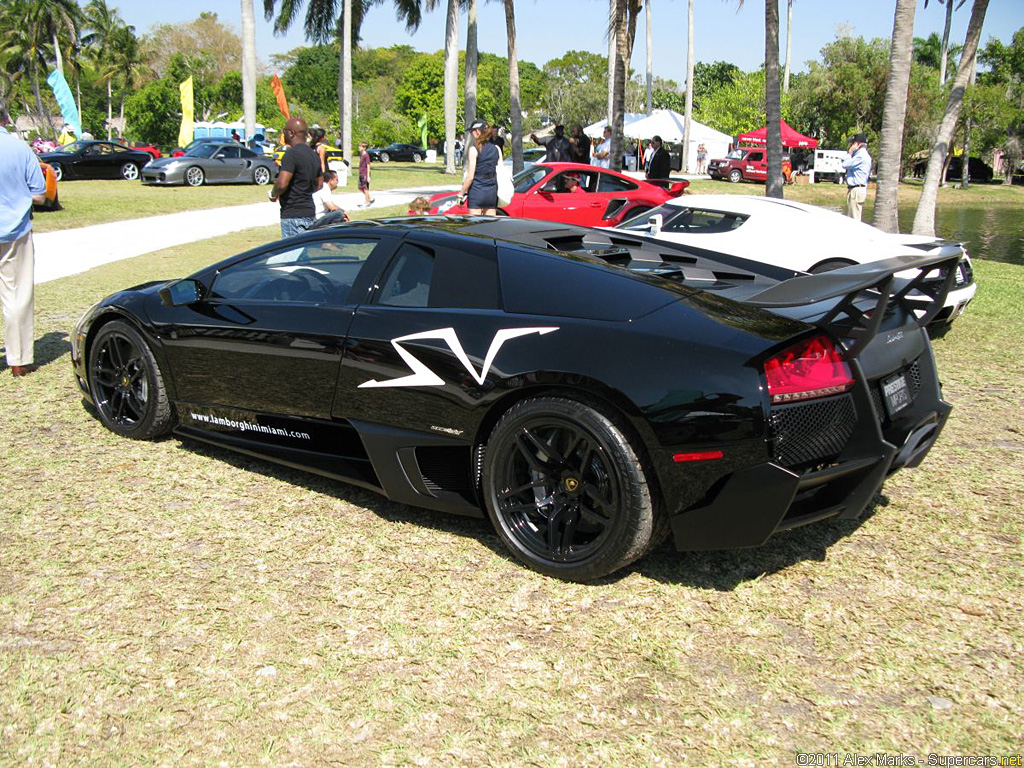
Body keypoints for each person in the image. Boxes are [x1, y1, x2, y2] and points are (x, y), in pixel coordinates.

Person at [0, 115, 47, 376]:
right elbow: (39, 195)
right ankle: (18, 360)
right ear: (5, 119)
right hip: (14, 231)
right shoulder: (21, 148)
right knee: (17, 295)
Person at [268, 117, 323, 237]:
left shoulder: (291, 154)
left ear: (291, 133)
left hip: (292, 215)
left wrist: (273, 193)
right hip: (309, 212)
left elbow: (282, 184)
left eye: (284, 131)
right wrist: (304, 190)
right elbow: (319, 184)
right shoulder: (314, 155)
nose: (283, 135)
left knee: (292, 254)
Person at [458, 119, 500, 215]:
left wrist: (461, 194)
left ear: (477, 132)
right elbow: (500, 169)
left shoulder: (474, 149)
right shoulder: (496, 149)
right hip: (492, 191)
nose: (471, 134)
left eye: (471, 132)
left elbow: (470, 177)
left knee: (474, 226)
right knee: (489, 226)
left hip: (477, 191)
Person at [843, 132, 872, 221]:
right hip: (856, 189)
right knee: (852, 216)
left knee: (854, 219)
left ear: (858, 144)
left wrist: (849, 152)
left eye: (852, 143)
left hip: (856, 190)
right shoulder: (860, 155)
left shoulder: (861, 156)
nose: (851, 145)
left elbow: (845, 164)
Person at [357, 141, 374, 208]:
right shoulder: (361, 155)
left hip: (365, 174)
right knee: (360, 188)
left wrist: (368, 176)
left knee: (365, 188)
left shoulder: (366, 155)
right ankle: (370, 198)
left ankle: (367, 202)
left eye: (360, 146)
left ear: (364, 148)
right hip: (361, 173)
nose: (359, 147)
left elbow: (368, 165)